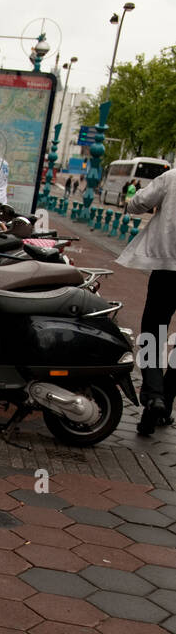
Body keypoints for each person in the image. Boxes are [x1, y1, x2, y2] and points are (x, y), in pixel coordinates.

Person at [117, 166, 176, 436]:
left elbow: (140, 202)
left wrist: (129, 205)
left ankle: (154, 395)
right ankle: (167, 402)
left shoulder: (171, 177)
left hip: (166, 269)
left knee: (154, 330)